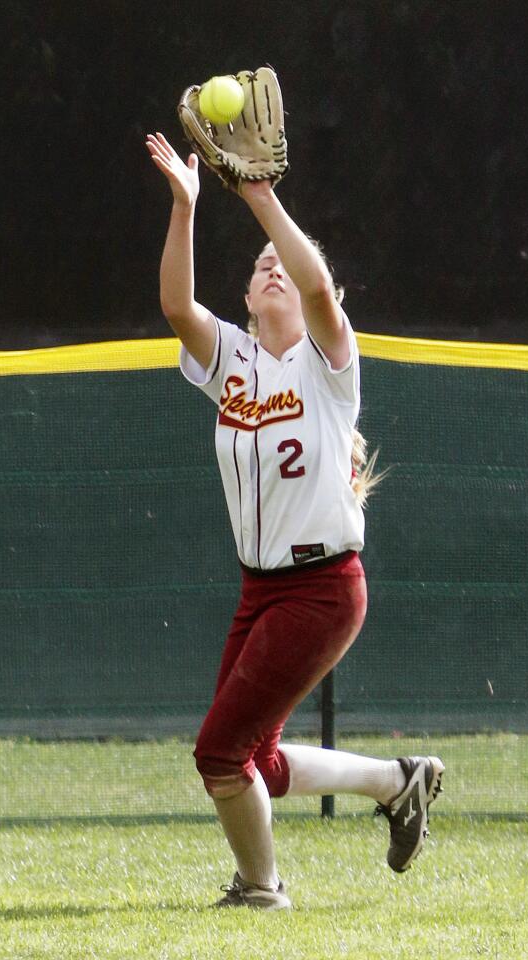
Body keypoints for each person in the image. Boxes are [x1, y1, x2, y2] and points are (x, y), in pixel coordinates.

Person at [145, 130, 444, 911]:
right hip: (261, 590)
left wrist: (258, 199)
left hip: (319, 588)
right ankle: (395, 782)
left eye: (281, 260)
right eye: (256, 267)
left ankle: (260, 888)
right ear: (244, 299)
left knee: (219, 752)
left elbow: (314, 287)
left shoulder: (327, 362)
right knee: (256, 760)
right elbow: (177, 305)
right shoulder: (234, 362)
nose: (269, 266)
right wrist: (186, 206)